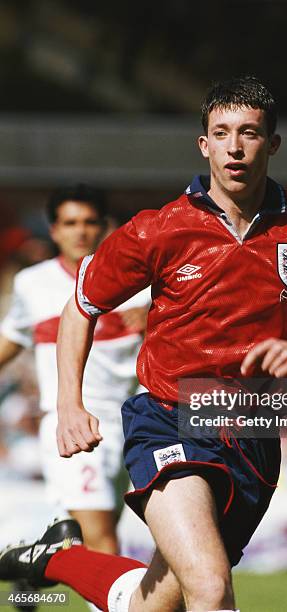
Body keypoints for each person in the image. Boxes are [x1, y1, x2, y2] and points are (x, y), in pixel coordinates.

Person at [0, 77, 287, 612]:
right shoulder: (157, 230)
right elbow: (82, 306)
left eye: (250, 133)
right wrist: (70, 404)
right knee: (210, 590)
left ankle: (54, 559)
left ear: (272, 144)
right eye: (222, 133)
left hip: (254, 432)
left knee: (155, 603)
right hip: (170, 419)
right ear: (203, 144)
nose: (235, 147)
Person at [0, 185, 150, 607]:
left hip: (130, 424)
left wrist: (155, 319)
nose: (80, 232)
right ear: (54, 229)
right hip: (72, 424)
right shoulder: (34, 283)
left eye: (89, 222)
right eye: (69, 223)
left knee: (81, 536)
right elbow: (9, 342)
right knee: (103, 538)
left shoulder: (140, 284)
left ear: (106, 227)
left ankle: (34, 568)